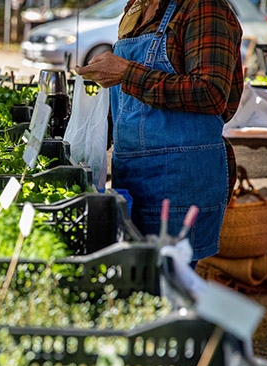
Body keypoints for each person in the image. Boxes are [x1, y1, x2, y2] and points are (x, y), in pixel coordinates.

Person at [77, 0, 242, 264]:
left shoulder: (203, 7)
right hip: (132, 177)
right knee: (137, 274)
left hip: (180, 180)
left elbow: (210, 93)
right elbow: (127, 99)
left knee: (166, 282)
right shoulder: (136, 8)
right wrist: (91, 134)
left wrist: (127, 73)